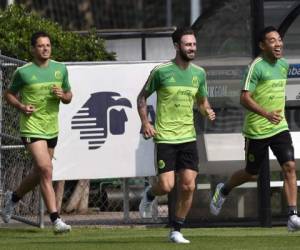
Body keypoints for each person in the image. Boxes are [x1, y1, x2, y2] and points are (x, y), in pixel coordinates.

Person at [210, 26, 300, 231]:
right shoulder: (256, 66)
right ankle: (223, 189)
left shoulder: (284, 65)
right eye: (272, 41)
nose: (278, 44)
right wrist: (266, 114)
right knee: (251, 173)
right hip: (257, 130)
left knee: (290, 167)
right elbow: (244, 98)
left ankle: (293, 216)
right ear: (262, 45)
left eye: (279, 40)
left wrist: (275, 116)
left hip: (279, 128)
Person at [137, 27, 215, 243]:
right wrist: (145, 122)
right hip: (165, 138)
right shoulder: (161, 71)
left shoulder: (199, 73)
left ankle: (176, 229)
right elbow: (141, 98)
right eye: (188, 44)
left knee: (189, 185)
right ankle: (150, 194)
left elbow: (201, 101)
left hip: (188, 137)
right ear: (177, 46)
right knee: (166, 186)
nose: (192, 48)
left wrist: (206, 110)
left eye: (194, 44)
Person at [2, 31, 72, 233]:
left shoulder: (60, 69)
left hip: (51, 128)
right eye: (41, 46)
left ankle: (13, 197)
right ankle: (56, 220)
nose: (45, 49)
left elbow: (69, 95)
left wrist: (63, 95)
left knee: (40, 171)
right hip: (31, 127)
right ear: (33, 49)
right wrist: (22, 106)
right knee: (46, 169)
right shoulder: (23, 72)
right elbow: (8, 95)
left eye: (48, 45)